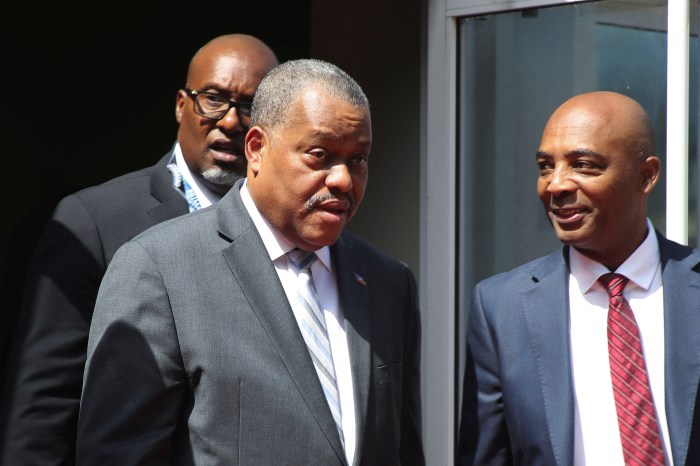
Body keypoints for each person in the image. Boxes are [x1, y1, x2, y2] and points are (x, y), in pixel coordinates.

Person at [75, 58, 424, 465]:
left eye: (358, 159)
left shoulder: (388, 283)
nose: (343, 180)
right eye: (319, 154)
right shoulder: (160, 269)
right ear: (257, 148)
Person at [0, 34, 279, 465]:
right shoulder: (95, 221)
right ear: (180, 105)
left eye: (250, 107)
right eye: (213, 99)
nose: (229, 121)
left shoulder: (291, 229)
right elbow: (45, 400)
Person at [457, 91, 700, 465]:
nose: (555, 185)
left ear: (646, 176)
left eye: (583, 165)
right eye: (545, 166)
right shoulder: (502, 308)